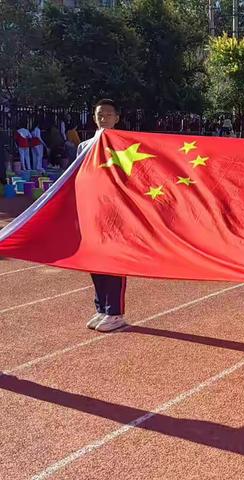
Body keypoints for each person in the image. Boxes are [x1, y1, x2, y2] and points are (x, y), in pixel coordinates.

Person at [77, 99, 127, 333]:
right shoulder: (84, 146)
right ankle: (101, 308)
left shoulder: (126, 147)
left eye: (109, 113)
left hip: (116, 212)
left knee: (113, 260)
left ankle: (115, 312)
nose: (104, 117)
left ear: (117, 117)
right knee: (94, 259)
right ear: (94, 117)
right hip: (91, 210)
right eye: (100, 114)